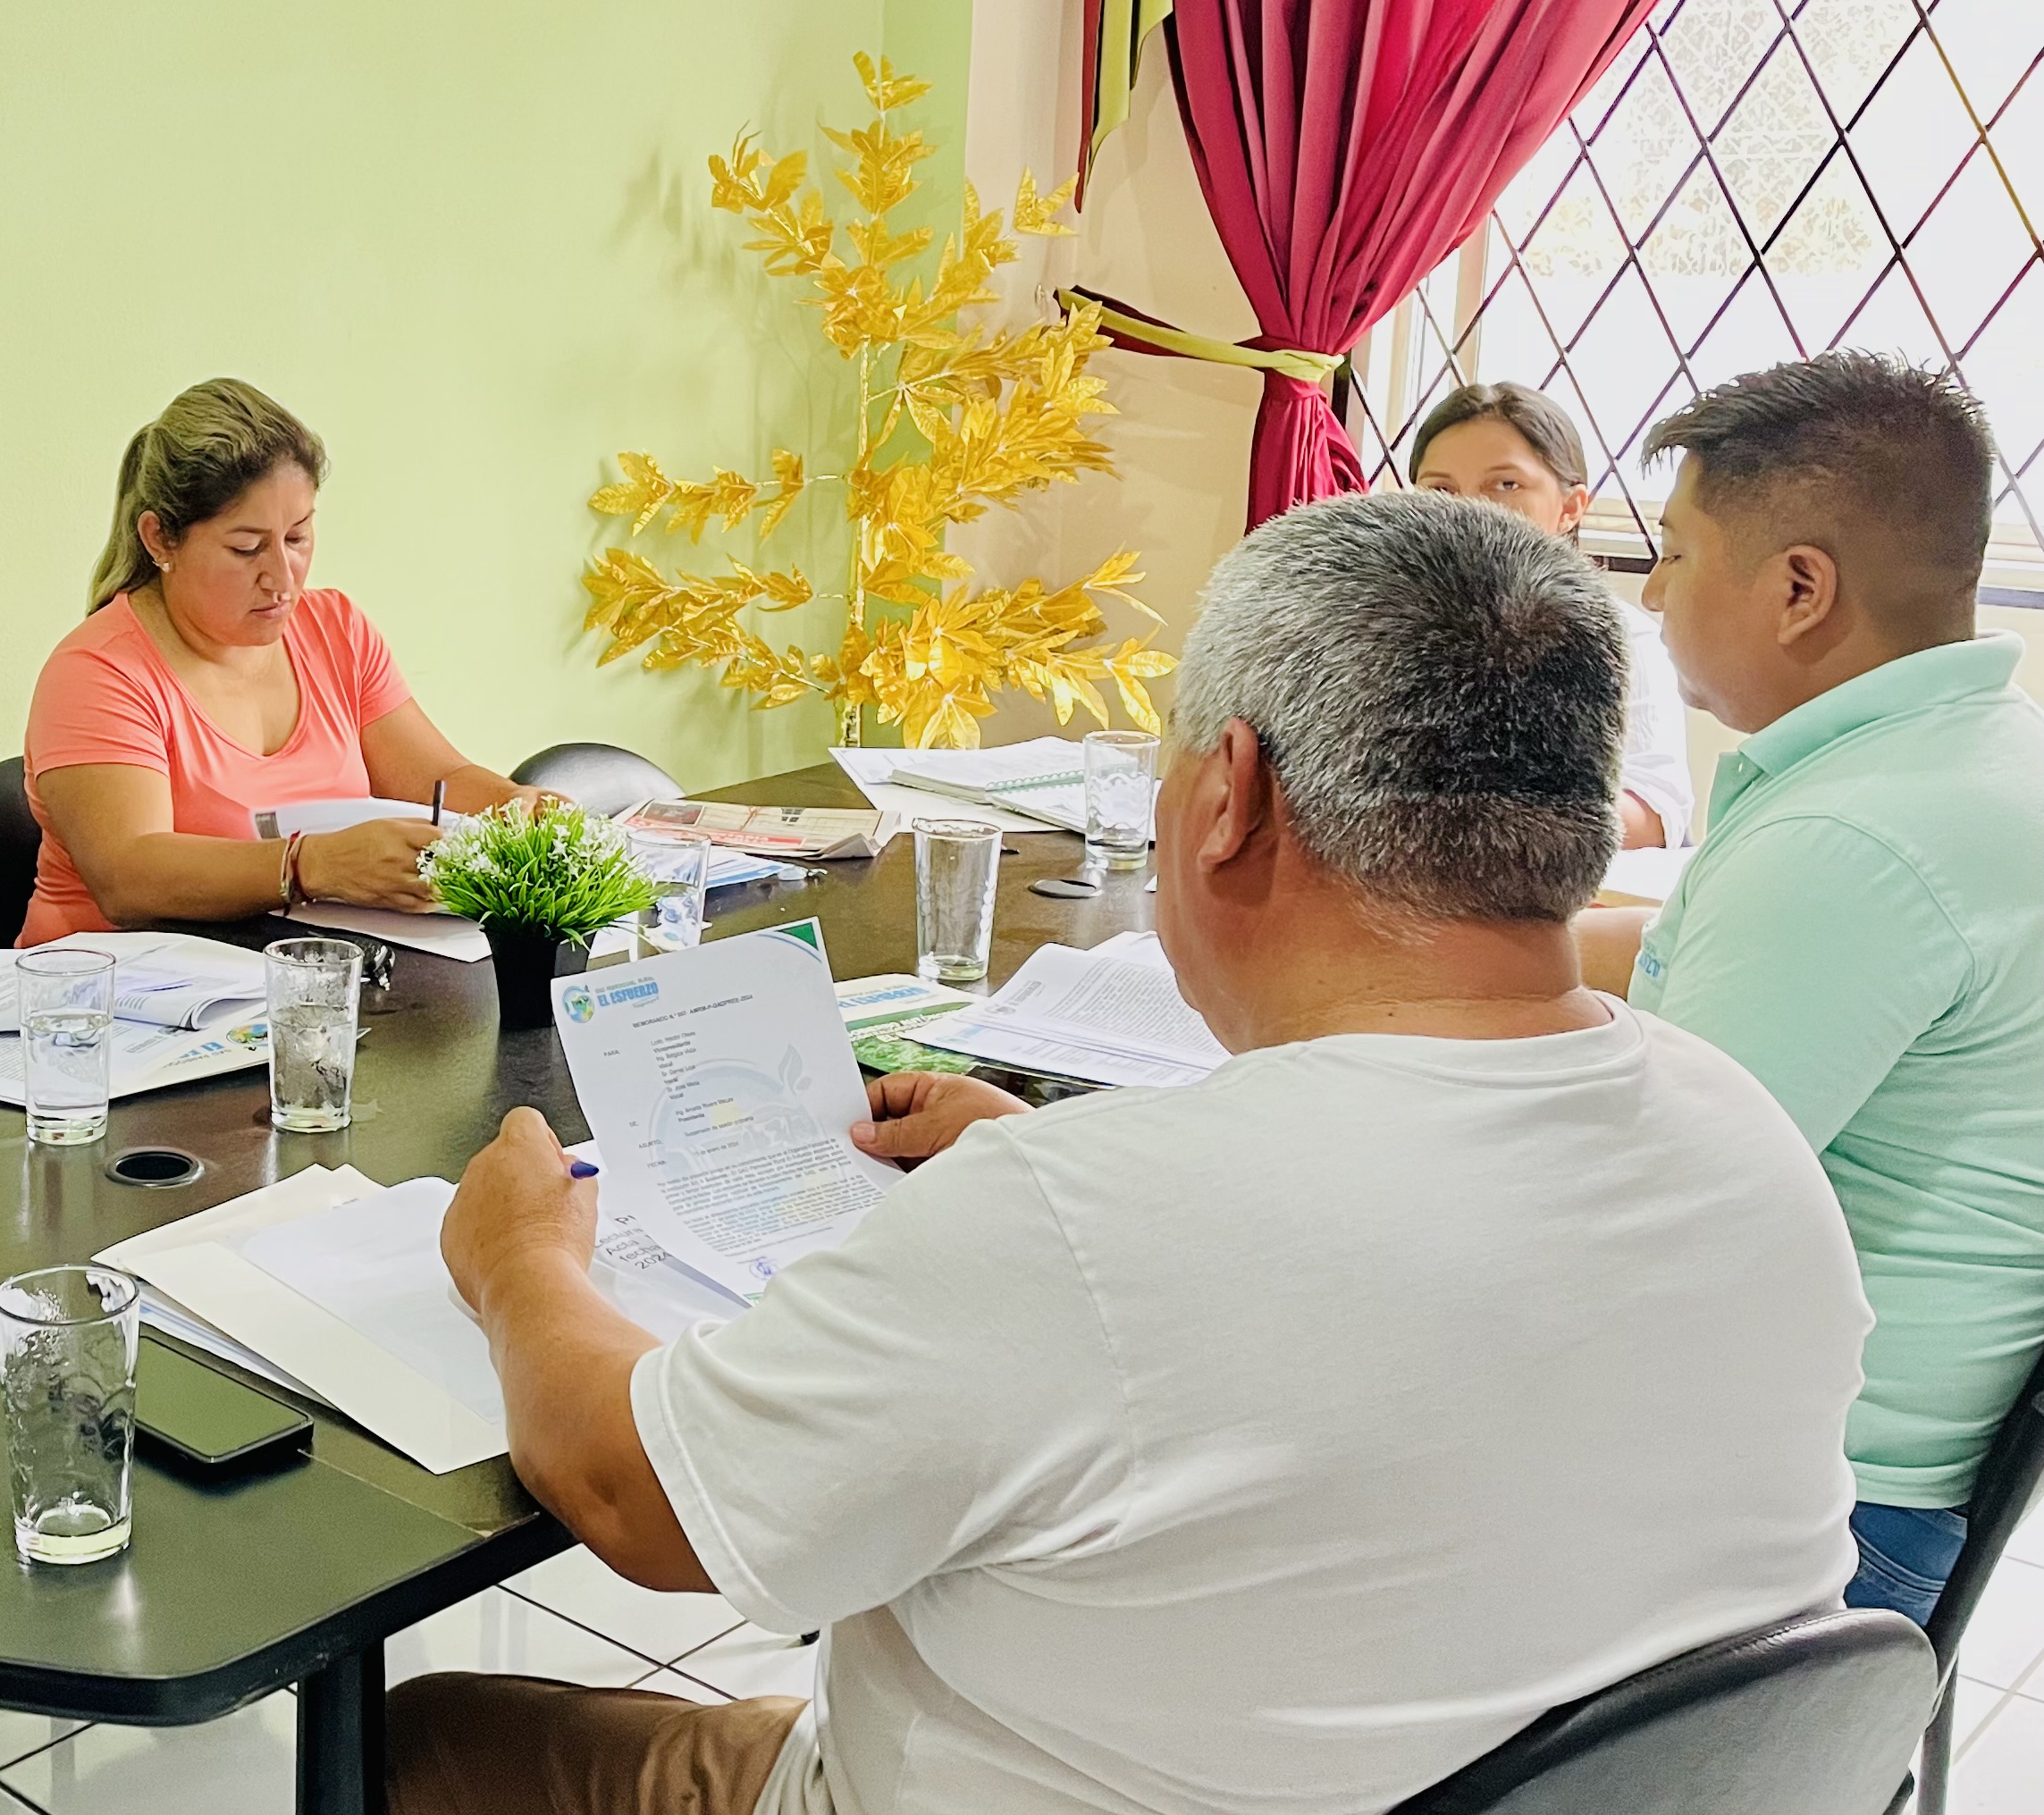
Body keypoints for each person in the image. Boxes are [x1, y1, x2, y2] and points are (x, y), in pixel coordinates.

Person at [403, 495, 1870, 1815]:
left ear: (1228, 795)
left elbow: (634, 1498)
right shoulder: (1744, 1139)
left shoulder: (1080, 1229)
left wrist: (519, 1257)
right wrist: (1056, 1173)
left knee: (424, 1741)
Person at [1575, 351, 2044, 1626]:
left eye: (1675, 552)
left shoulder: (1851, 846)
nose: (1653, 590)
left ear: (1798, 588)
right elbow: (1695, 950)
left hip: (1819, 1525)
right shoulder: (1972, 753)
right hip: (1894, 1471)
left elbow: (1634, 1209)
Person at [20, 378, 552, 945]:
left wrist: (515, 806)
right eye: (246, 548)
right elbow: (129, 878)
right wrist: (311, 865)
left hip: (294, 973)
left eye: (297, 538)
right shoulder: (97, 672)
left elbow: (436, 781)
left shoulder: (336, 630)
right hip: (115, 987)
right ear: (159, 539)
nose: (282, 578)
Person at [1406, 381, 1695, 847]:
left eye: (1506, 485)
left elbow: (1657, 814)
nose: (1468, 509)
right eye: (1441, 488)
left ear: (1571, 507)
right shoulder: (1377, 623)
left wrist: (1497, 813)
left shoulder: (1621, 638)